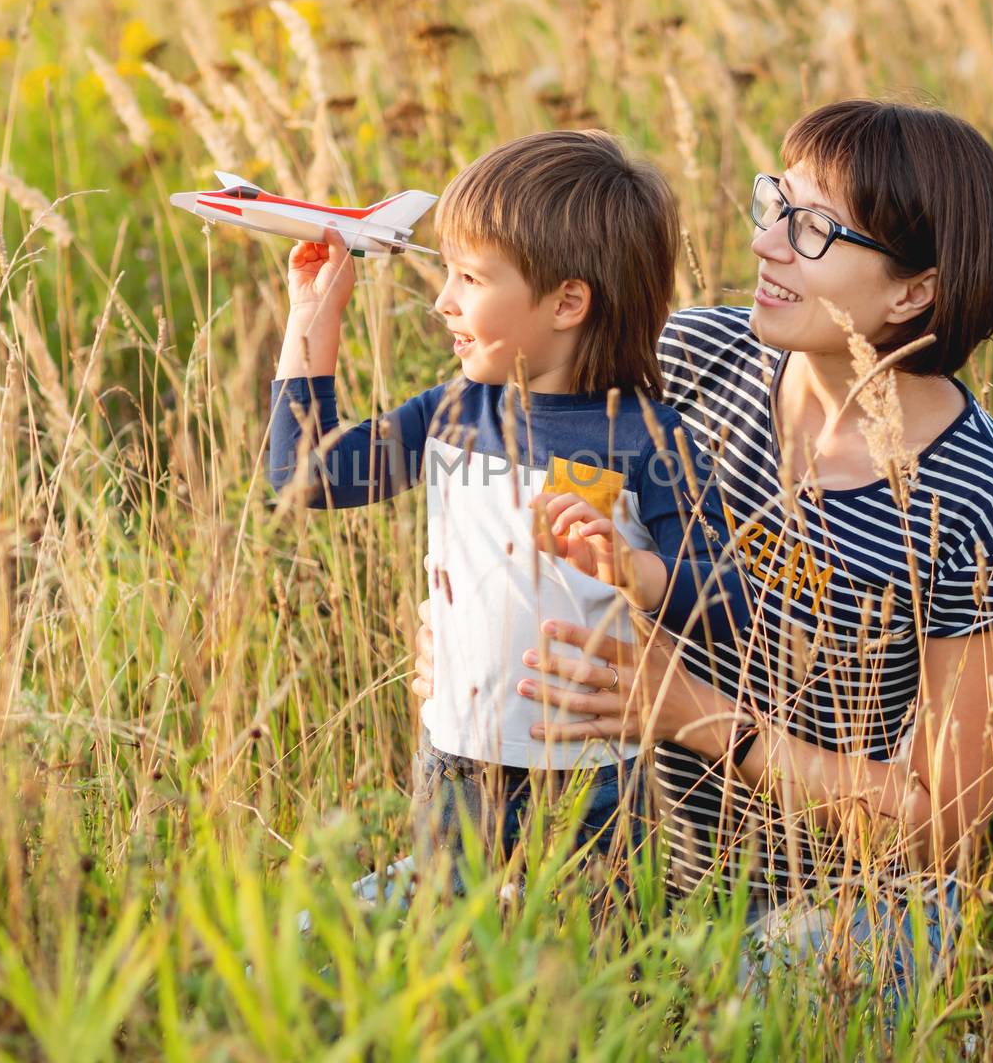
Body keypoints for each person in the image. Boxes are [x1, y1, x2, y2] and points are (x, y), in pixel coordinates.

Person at [413, 100, 993, 1014]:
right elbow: (553, 537)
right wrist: (473, 637)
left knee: (698, 1024)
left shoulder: (981, 506)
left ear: (913, 291)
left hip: (835, 911)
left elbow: (940, 830)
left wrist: (694, 715)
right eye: (773, 206)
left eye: (813, 230)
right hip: (616, 855)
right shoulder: (687, 360)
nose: (766, 245)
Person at [269, 130, 752, 886]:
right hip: (456, 768)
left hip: (595, 787)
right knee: (455, 958)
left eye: (469, 278)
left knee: (587, 975)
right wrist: (311, 320)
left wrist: (634, 570)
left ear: (567, 302)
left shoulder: (650, 440)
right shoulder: (456, 411)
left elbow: (729, 599)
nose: (442, 302)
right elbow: (308, 478)